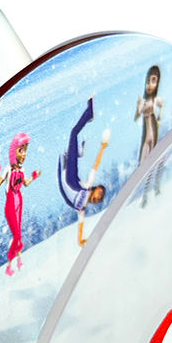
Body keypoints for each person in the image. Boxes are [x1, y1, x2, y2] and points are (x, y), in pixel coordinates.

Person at [57, 98, 107, 246]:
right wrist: (102, 147)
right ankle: (77, 151)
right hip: (71, 179)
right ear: (95, 189)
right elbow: (95, 166)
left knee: (72, 137)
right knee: (72, 137)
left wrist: (81, 240)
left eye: (100, 198)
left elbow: (80, 225)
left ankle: (88, 115)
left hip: (67, 181)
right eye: (100, 193)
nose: (99, 197)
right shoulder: (88, 186)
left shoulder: (82, 209)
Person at [0, 132, 40, 276]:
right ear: (14, 152)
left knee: (19, 234)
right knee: (17, 236)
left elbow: (25, 183)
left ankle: (19, 260)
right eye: (21, 150)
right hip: (11, 203)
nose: (24, 154)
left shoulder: (22, 169)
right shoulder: (8, 169)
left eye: (25, 151)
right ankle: (9, 264)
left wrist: (33, 177)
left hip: (19, 201)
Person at [135, 65, 164, 207]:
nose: (149, 85)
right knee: (142, 163)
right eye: (148, 81)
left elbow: (161, 105)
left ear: (157, 83)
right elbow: (136, 116)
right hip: (145, 133)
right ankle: (146, 194)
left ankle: (155, 188)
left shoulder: (154, 99)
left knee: (154, 161)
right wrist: (137, 106)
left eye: (153, 81)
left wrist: (159, 118)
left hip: (153, 129)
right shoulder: (144, 101)